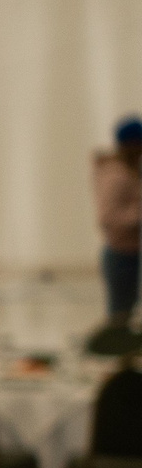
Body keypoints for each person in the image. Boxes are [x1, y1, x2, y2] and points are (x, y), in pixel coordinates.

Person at [95, 115, 141, 327]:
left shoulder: (132, 171)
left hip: (134, 254)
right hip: (122, 255)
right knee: (120, 321)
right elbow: (108, 217)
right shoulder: (115, 175)